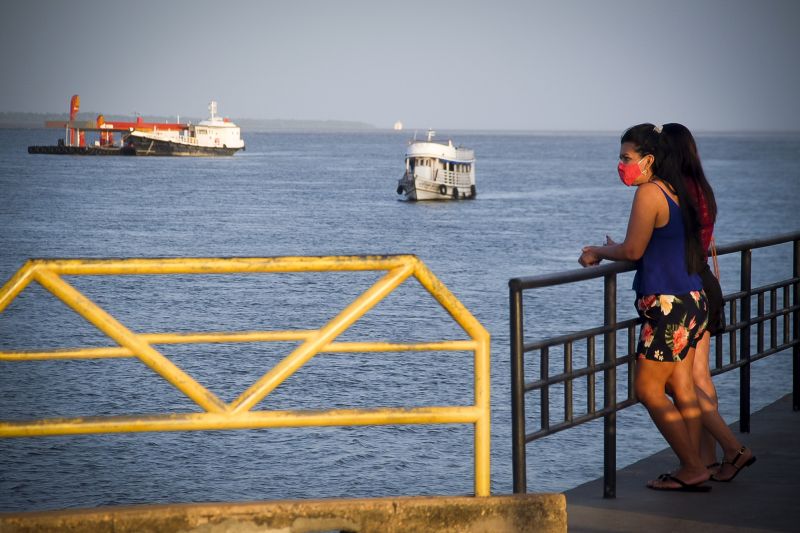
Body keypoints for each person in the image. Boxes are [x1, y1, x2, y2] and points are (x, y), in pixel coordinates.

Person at [578, 123, 711, 491]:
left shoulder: (649, 192)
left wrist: (596, 251)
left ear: (648, 160)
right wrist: (616, 247)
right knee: (682, 386)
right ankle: (696, 465)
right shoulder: (673, 189)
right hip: (691, 299)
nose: (621, 165)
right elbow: (651, 245)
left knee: (648, 390)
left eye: (626, 158)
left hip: (668, 306)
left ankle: (692, 467)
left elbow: (634, 250)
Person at [659, 123, 756, 482]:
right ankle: (709, 458)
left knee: (678, 381)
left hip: (687, 286)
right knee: (698, 375)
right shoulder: (701, 187)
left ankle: (729, 451)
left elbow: (669, 243)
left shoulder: (675, 191)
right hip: (705, 284)